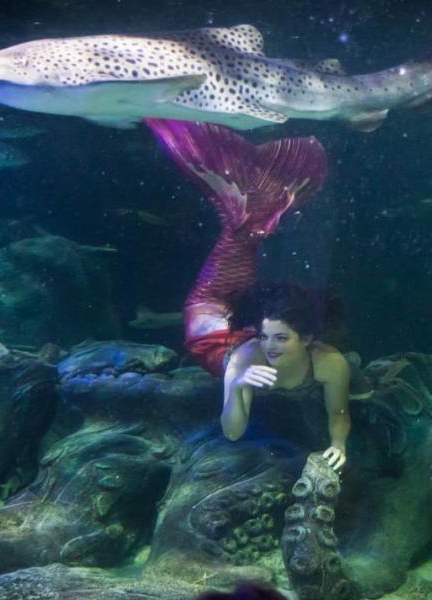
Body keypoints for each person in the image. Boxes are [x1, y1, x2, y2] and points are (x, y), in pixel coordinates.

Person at [146, 119, 351, 472]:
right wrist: (238, 383)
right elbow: (234, 431)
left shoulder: (330, 363)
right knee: (245, 231)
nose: (270, 346)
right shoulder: (247, 358)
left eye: (281, 339)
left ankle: (251, 178)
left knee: (243, 229)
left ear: (308, 340)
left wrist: (339, 445)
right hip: (228, 335)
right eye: (267, 336)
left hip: (207, 313)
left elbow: (339, 412)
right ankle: (260, 178)